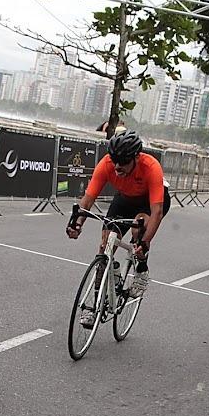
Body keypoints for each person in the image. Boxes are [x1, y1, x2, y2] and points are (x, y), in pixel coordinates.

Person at [66, 130, 170, 324]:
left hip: (149, 202)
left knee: (138, 230)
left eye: (123, 161)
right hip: (124, 199)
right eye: (115, 160)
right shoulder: (107, 164)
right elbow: (88, 200)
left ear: (136, 158)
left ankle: (141, 270)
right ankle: (95, 303)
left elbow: (157, 212)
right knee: (105, 244)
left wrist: (145, 243)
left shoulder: (151, 167)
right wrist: (77, 223)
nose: (117, 166)